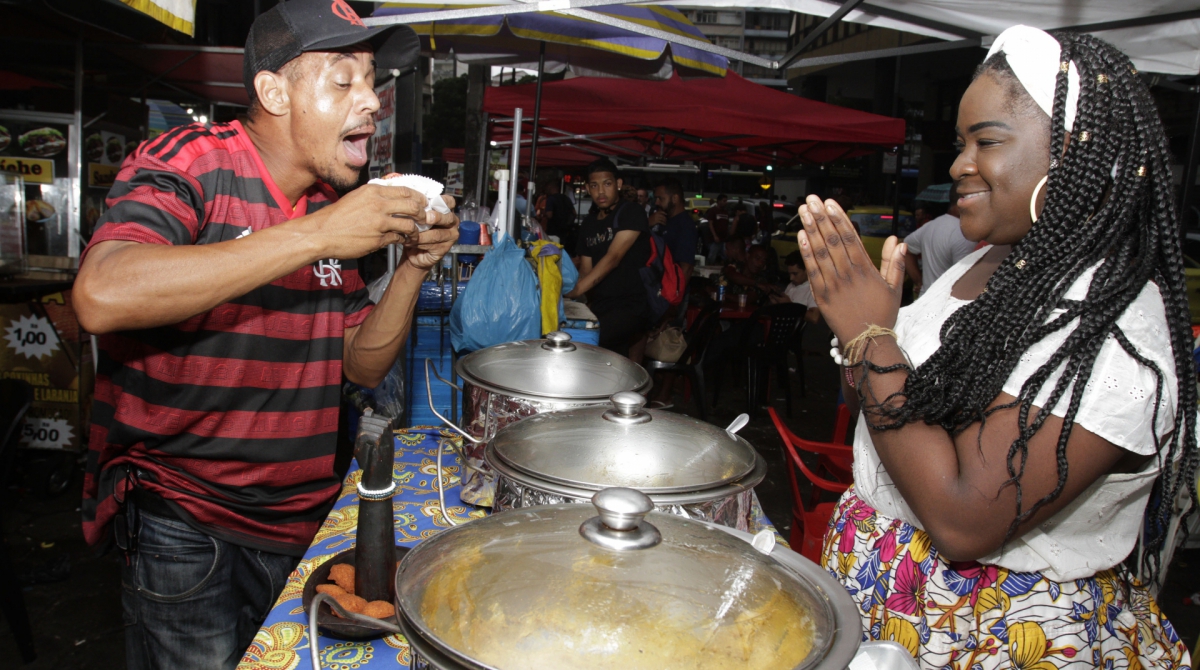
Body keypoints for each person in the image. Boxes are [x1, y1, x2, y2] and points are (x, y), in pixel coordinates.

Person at [72, 3, 458, 668]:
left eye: (373, 81)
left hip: (299, 516)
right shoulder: (194, 163)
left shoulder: (333, 208)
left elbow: (360, 368)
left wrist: (413, 271)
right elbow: (102, 294)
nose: (371, 101)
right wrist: (316, 235)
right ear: (274, 92)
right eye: (344, 80)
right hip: (186, 517)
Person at [799, 26, 1192, 669]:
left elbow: (963, 520)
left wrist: (872, 338)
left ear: (1073, 152)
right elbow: (883, 411)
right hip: (885, 602)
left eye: (987, 141)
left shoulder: (1114, 320)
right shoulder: (985, 266)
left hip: (995, 637)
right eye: (960, 144)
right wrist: (864, 336)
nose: (958, 164)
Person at [567, 159, 652, 356]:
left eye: (607, 184)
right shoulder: (589, 223)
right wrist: (574, 294)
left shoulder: (631, 212)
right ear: (588, 188)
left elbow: (613, 258)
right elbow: (586, 269)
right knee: (606, 360)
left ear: (618, 184)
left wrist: (576, 289)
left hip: (631, 306)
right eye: (594, 186)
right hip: (601, 306)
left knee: (586, 347)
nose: (601, 192)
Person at [903, 197, 975, 296]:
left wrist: (920, 282)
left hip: (926, 299)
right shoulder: (963, 234)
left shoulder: (930, 226)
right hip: (947, 303)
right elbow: (964, 282)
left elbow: (905, 249)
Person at [650, 177, 697, 279]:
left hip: (669, 289)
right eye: (656, 198)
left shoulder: (685, 225)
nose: (657, 203)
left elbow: (686, 267)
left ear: (675, 198)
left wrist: (674, 293)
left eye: (661, 198)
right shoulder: (661, 218)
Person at [770, 251, 820, 324]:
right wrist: (777, 304)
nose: (791, 278)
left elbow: (814, 317)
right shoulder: (791, 285)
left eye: (795, 274)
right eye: (790, 274)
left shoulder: (815, 289)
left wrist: (790, 305)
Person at [536, 179, 576, 248]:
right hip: (565, 230)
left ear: (551, 187)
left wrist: (543, 213)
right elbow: (574, 213)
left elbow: (549, 215)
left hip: (553, 230)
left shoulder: (551, 199)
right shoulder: (566, 198)